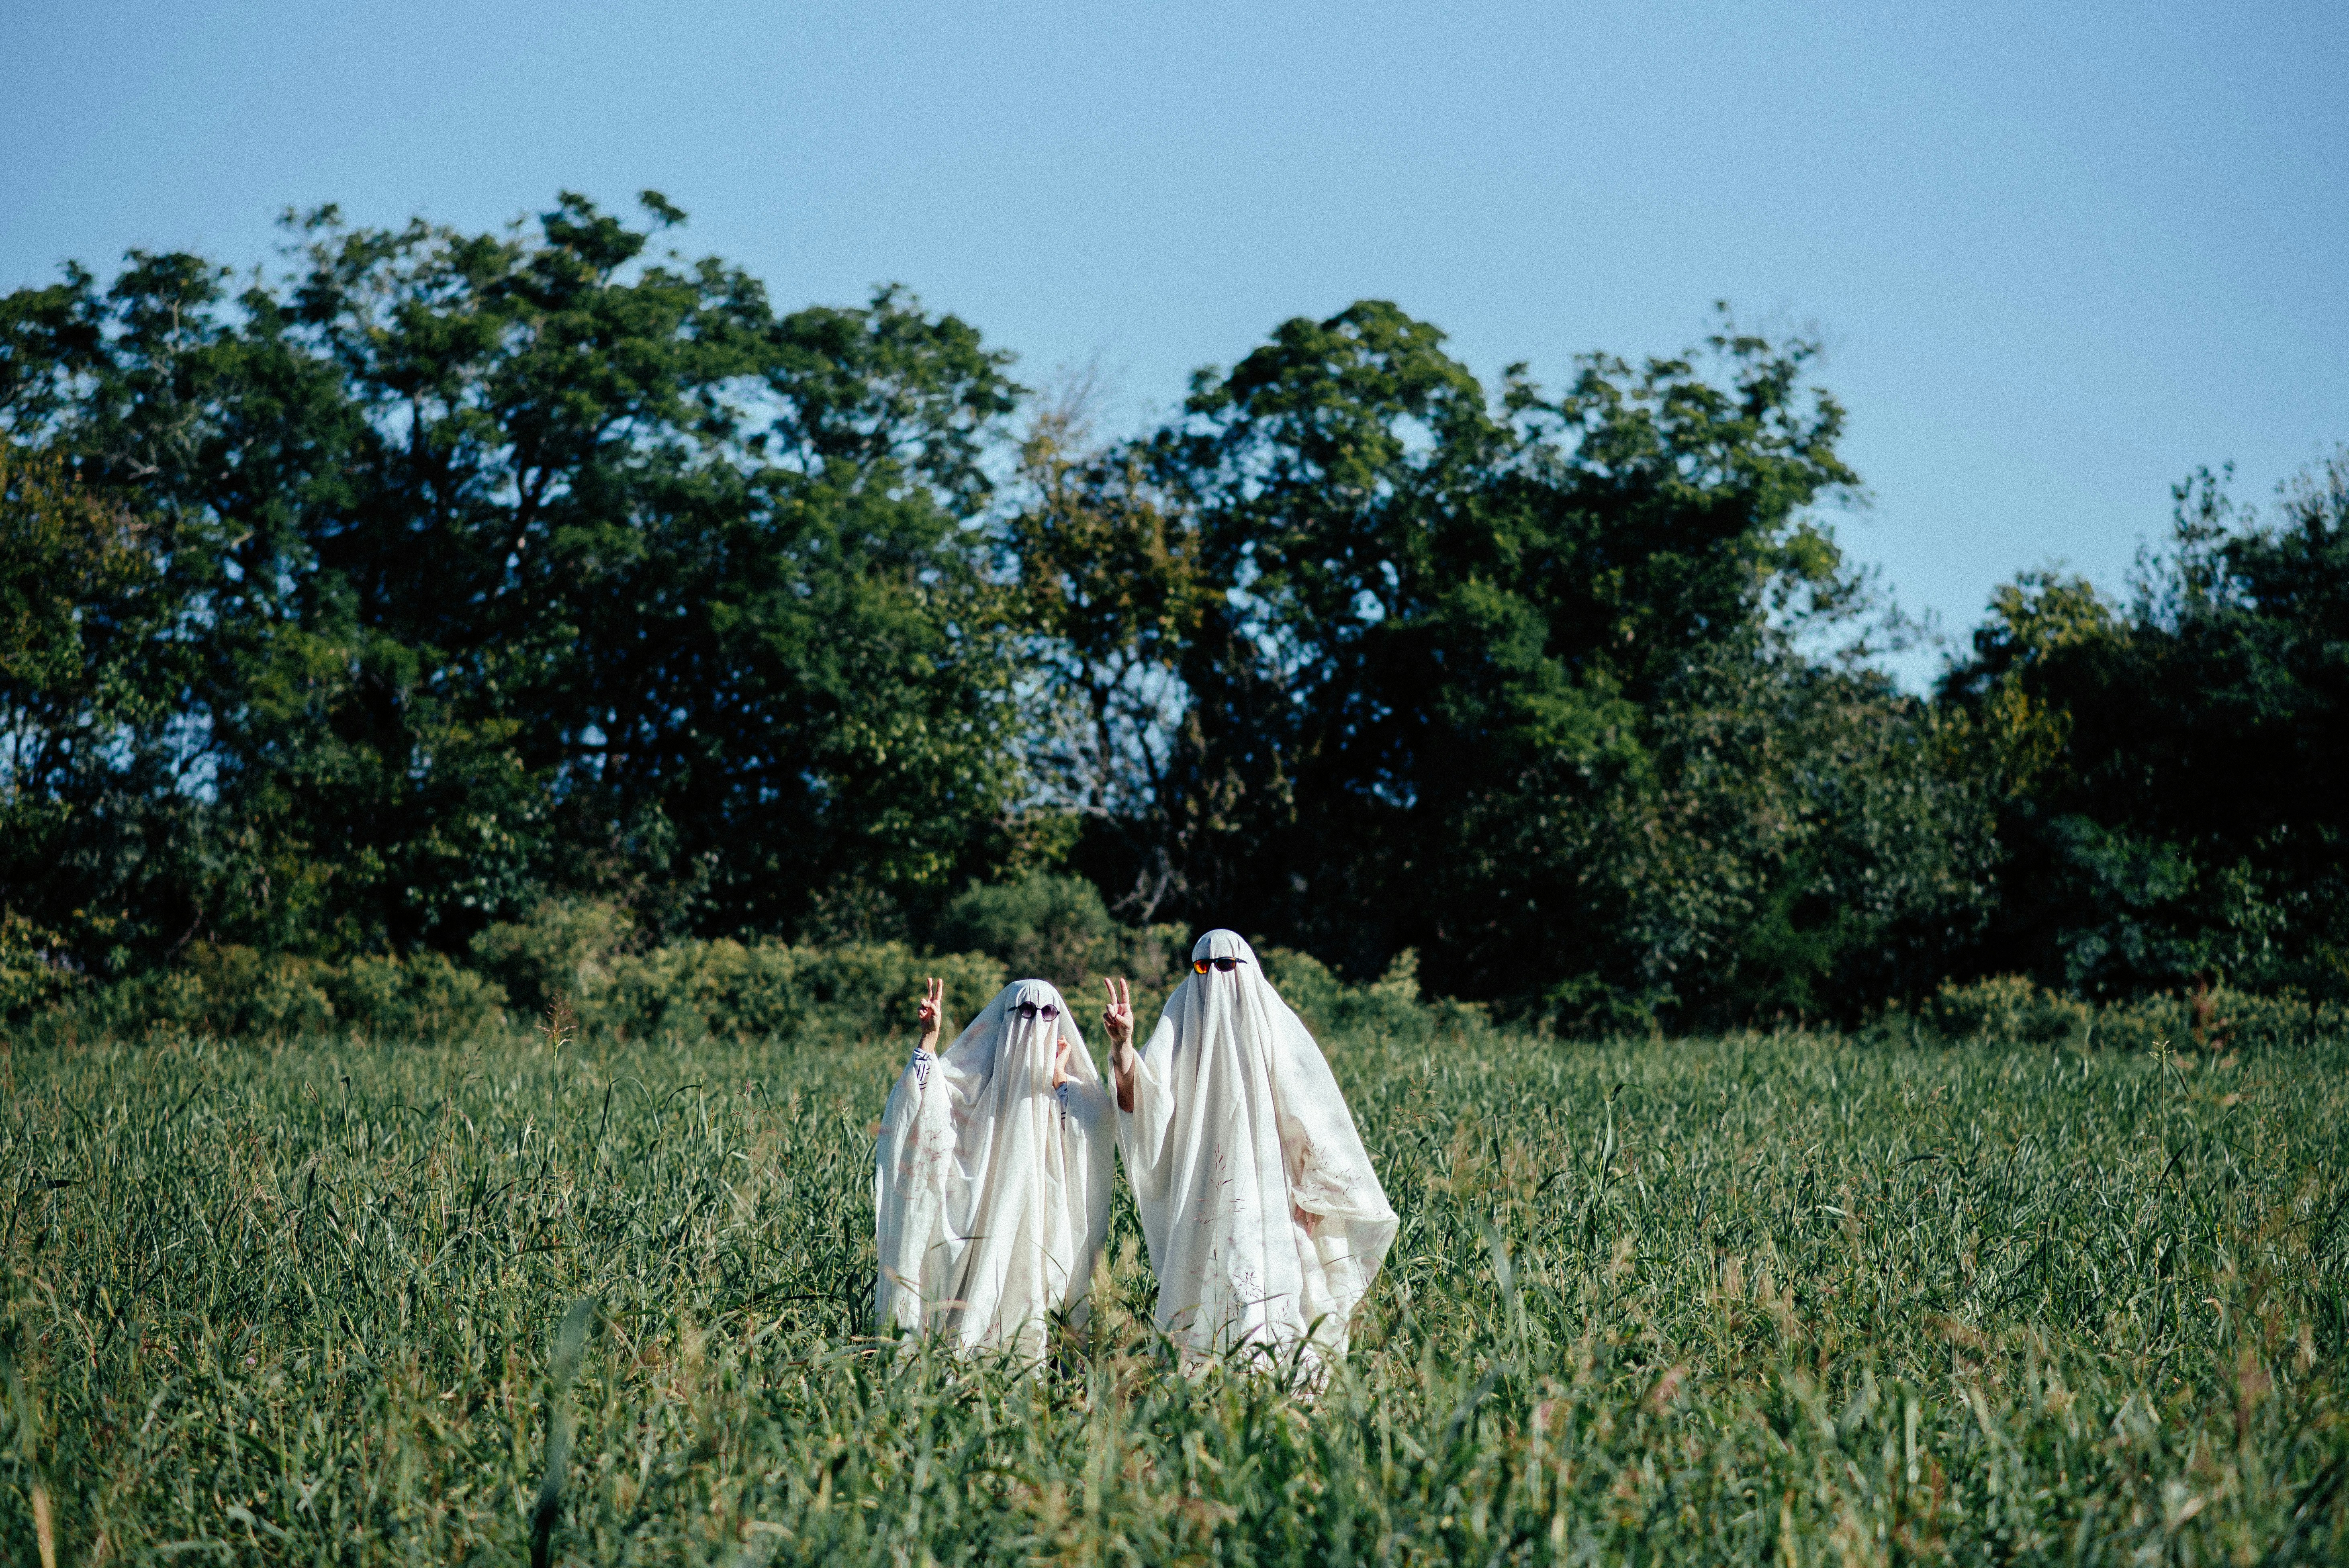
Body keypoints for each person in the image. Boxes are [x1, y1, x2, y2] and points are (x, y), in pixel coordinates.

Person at [1101, 930, 1397, 1372]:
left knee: (1269, 1289)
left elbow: (1310, 1114)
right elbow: (1139, 1102)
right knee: (1205, 1284)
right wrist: (1123, 1046)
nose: (1215, 978)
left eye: (1227, 967)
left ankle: (1266, 1381)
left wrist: (1315, 1192)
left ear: (1247, 970)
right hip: (1200, 1187)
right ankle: (1206, 1380)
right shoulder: (1181, 1020)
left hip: (1271, 1190)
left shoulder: (1273, 1024)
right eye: (1204, 967)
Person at [874, 977, 1115, 1359]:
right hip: (980, 1224)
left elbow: (1093, 1133)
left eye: (1048, 1012)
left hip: (1037, 1221)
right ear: (1006, 1017)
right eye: (1025, 1012)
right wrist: (930, 1039)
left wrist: (1058, 1079)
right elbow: (925, 1101)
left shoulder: (1064, 1090)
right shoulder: (972, 1084)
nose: (1035, 1022)